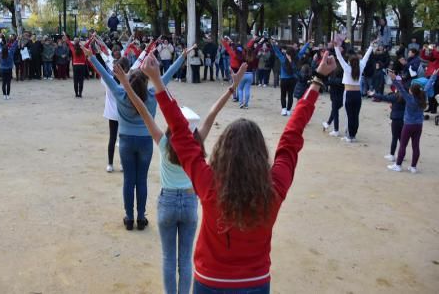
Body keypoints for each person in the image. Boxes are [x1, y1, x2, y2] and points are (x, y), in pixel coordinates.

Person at [143, 51, 337, 293]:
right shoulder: (273, 188)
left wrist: (158, 82)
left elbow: (181, 134)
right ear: (260, 155)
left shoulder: (209, 184)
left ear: (222, 153)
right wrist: (317, 79)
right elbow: (291, 137)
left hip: (210, 281)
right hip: (255, 282)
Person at [116, 61, 238, 294]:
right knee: (185, 260)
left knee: (168, 259)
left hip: (168, 202)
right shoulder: (197, 144)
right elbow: (213, 113)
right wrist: (232, 88)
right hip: (191, 202)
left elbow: (142, 109)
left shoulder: (163, 142)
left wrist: (125, 85)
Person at [85, 43, 188, 231]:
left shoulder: (120, 93)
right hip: (145, 141)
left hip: (125, 140)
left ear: (129, 82)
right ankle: (141, 217)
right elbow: (167, 76)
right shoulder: (152, 94)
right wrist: (182, 57)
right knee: (141, 180)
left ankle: (129, 217)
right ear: (146, 82)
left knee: (128, 180)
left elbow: (106, 76)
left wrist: (91, 56)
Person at [386, 70, 437, 173]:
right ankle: (413, 167)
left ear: (411, 91)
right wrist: (434, 76)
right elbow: (428, 85)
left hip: (408, 125)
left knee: (403, 145)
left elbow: (400, 88)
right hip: (419, 125)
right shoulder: (423, 95)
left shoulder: (409, 99)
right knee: (416, 146)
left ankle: (398, 165)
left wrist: (394, 78)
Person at [334, 38, 375, 142]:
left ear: (350, 62)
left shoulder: (347, 69)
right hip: (358, 94)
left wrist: (336, 47)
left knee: (349, 116)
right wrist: (371, 46)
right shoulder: (361, 66)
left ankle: (349, 136)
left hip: (348, 93)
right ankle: (353, 136)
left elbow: (339, 58)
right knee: (355, 116)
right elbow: (366, 57)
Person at [271, 40, 311, 116]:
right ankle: (289, 110)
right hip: (293, 79)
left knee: (283, 94)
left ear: (287, 53)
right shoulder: (296, 58)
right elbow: (302, 51)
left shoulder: (283, 59)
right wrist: (307, 44)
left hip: (284, 79)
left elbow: (277, 52)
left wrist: (273, 45)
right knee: (290, 94)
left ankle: (284, 109)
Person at [368, 84, 406, 162]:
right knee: (401, 138)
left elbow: (383, 97)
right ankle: (402, 154)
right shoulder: (406, 97)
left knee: (394, 138)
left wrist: (373, 94)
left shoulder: (395, 97)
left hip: (395, 119)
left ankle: (392, 155)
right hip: (403, 120)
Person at [63, 33, 92, 98]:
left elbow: (68, 41)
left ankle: (76, 94)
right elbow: (89, 42)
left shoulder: (73, 48)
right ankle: (80, 94)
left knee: (75, 80)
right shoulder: (83, 47)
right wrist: (93, 36)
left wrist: (65, 35)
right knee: (81, 80)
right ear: (79, 42)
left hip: (75, 66)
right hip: (82, 66)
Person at [322, 61, 344, 137]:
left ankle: (336, 130)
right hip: (340, 98)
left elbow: (327, 82)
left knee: (335, 113)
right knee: (334, 111)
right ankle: (328, 124)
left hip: (335, 98)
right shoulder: (342, 78)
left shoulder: (335, 80)